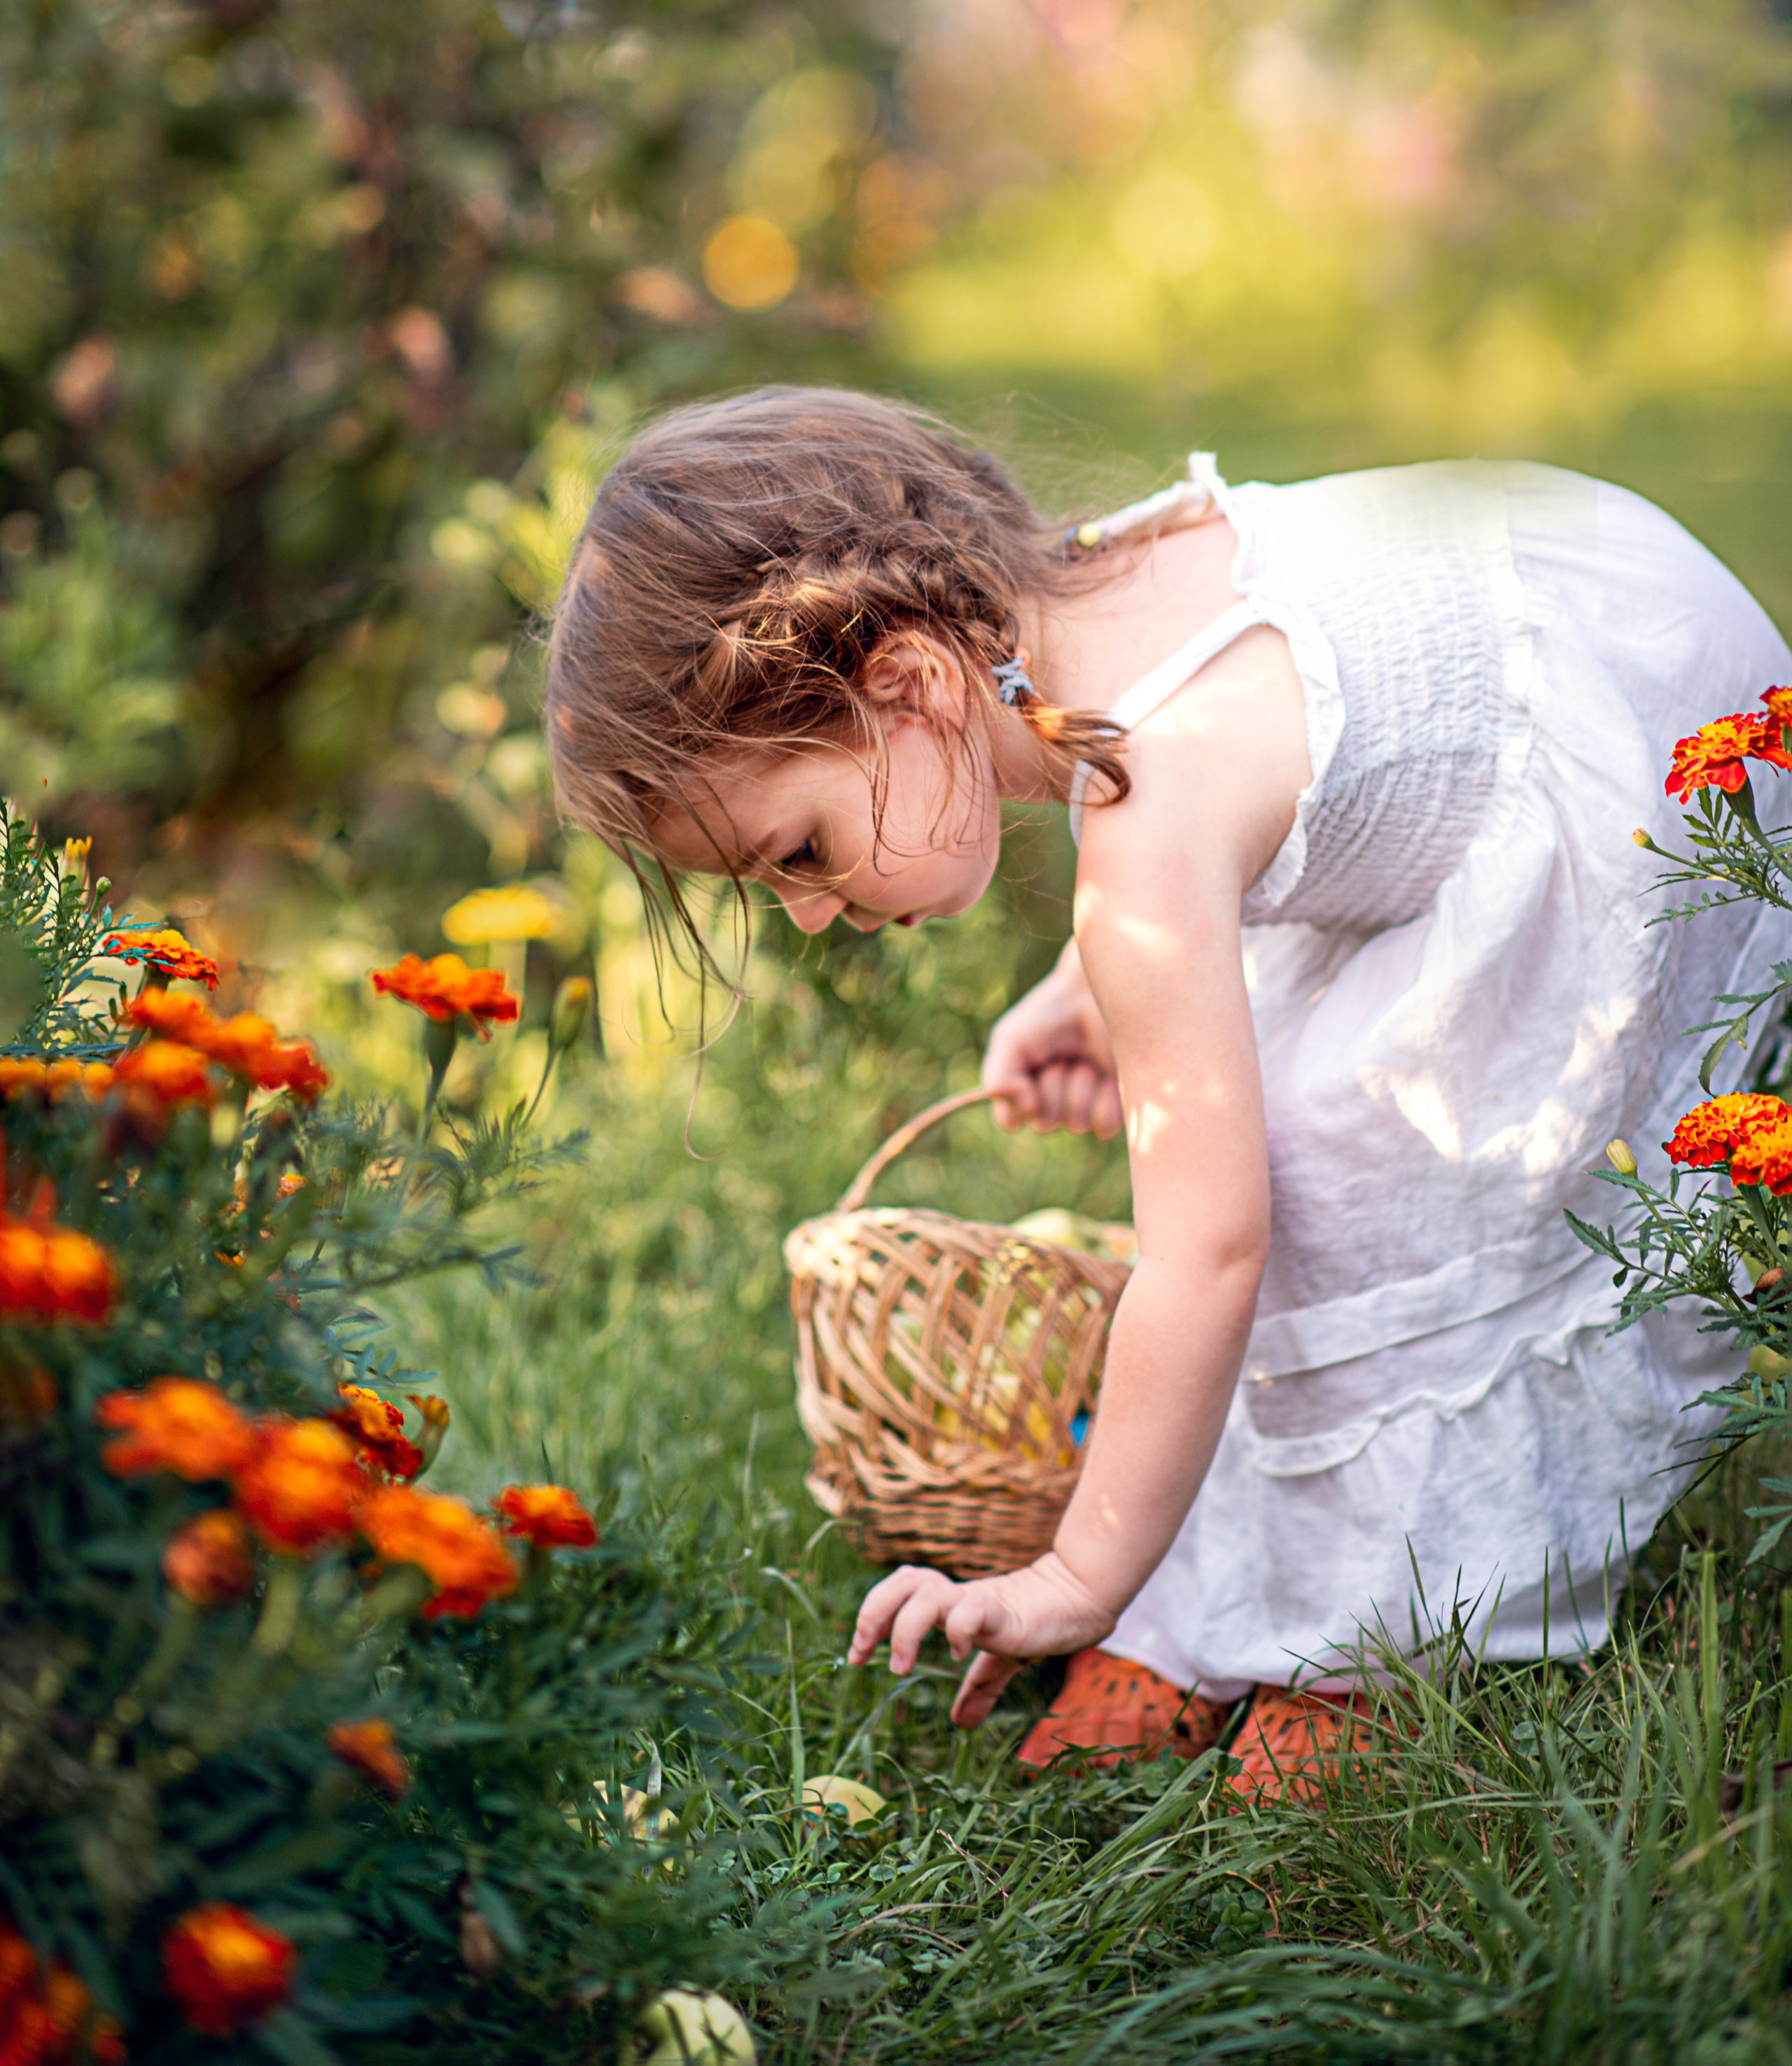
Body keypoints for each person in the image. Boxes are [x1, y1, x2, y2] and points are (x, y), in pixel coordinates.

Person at [544, 385, 1792, 1799]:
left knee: (1350, 1171)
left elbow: (1207, 1252)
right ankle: (1214, 1605)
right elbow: (1275, 772)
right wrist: (1092, 985)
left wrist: (1078, 1573)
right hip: (1580, 595)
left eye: (800, 851)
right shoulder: (1070, 608)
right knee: (1279, 1098)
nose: (813, 913)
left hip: (1628, 737)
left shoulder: (1151, 812)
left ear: (908, 685)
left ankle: (1385, 1633)